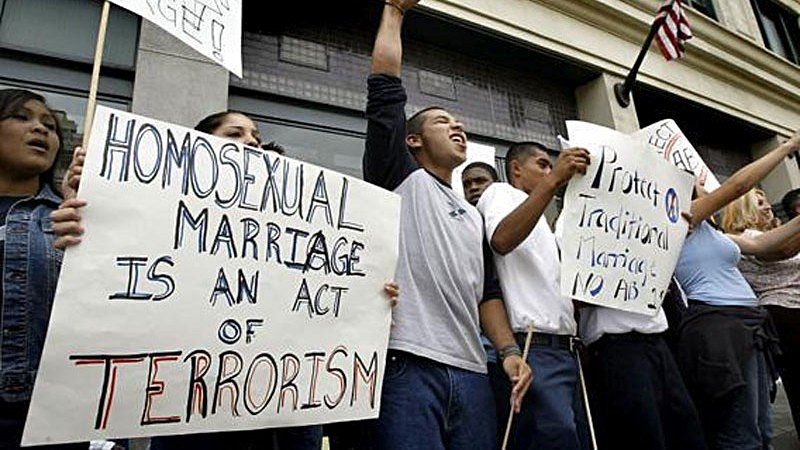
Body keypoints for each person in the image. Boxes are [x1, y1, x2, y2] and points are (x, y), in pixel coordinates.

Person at [53, 110, 400, 450]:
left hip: (287, 420)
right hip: (196, 416)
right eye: (235, 134)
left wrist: (367, 300)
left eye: (256, 137)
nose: (251, 142)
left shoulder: (302, 230)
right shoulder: (161, 214)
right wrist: (88, 214)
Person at [364, 1, 532, 449]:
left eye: (459, 123)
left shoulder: (473, 215)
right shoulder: (399, 176)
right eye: (443, 122)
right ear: (413, 140)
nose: (457, 127)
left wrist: (509, 352)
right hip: (407, 365)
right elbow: (384, 92)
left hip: (473, 373)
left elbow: (487, 294)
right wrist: (394, 11)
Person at [675, 132, 800, 450]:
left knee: (762, 428)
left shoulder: (713, 233)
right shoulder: (680, 219)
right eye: (700, 182)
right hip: (719, 329)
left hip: (747, 327)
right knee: (741, 432)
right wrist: (787, 147)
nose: (708, 185)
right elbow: (737, 187)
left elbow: (764, 244)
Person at [475, 142, 590, 450]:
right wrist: (554, 181)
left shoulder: (544, 227)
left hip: (566, 352)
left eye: (551, 166)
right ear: (516, 169)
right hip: (533, 348)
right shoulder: (500, 193)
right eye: (542, 164)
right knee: (554, 437)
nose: (549, 170)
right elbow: (502, 239)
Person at [0, 88, 87, 449]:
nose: (40, 129)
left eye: (49, 126)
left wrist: (91, 236)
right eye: (22, 117)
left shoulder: (68, 217)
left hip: (45, 419)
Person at [721, 188, 800, 437]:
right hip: (785, 311)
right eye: (760, 203)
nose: (768, 207)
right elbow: (785, 251)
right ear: (743, 209)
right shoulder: (748, 237)